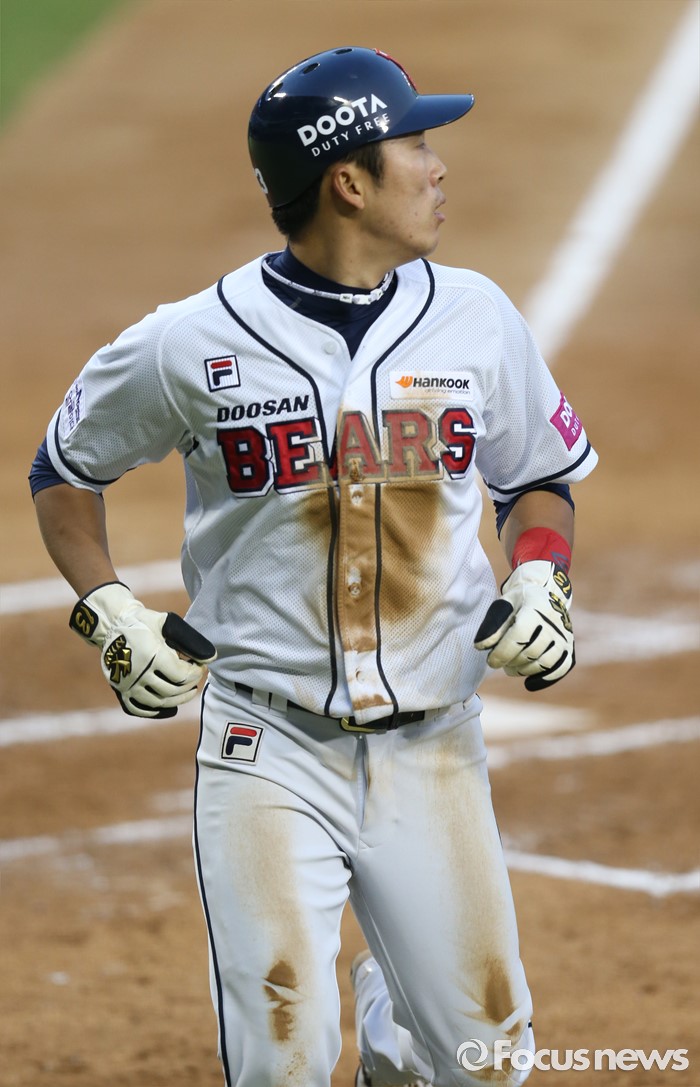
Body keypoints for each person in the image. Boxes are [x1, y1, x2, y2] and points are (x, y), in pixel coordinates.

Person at [30, 46, 597, 1087]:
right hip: (266, 747)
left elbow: (540, 477)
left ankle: (392, 1027)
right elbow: (64, 470)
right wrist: (110, 609)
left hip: (434, 746)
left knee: (484, 1063)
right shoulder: (188, 342)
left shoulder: (475, 316)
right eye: (413, 145)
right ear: (348, 182)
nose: (437, 166)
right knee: (280, 1061)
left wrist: (539, 575)